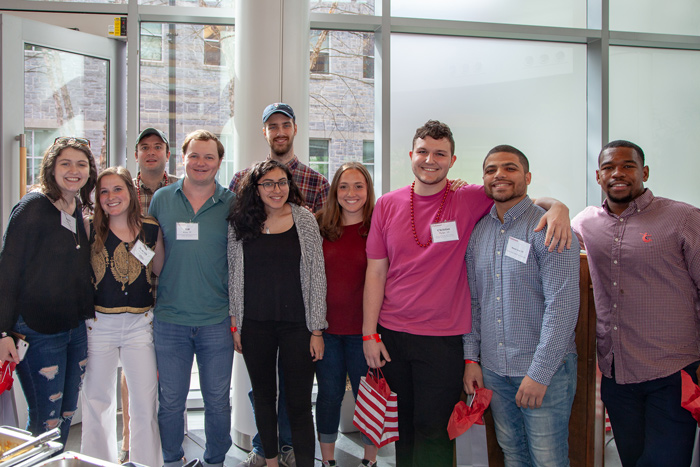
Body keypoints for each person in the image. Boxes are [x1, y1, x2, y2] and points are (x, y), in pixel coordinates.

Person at [362, 120, 572, 467]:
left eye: (440, 153)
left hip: (443, 339)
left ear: (452, 160)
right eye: (424, 152)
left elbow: (521, 197)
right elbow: (376, 271)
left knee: (433, 428)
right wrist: (370, 333)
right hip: (393, 335)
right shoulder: (386, 204)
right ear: (411, 155)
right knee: (405, 427)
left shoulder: (471, 197)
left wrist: (559, 207)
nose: (431, 159)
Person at [571, 140, 700, 467]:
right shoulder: (587, 222)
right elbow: (549, 226)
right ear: (598, 176)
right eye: (608, 167)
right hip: (617, 377)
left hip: (673, 373)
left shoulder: (682, 218)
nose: (618, 173)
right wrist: (556, 207)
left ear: (643, 172)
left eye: (627, 165)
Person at [462, 145, 580, 466]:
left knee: (548, 460)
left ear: (527, 177)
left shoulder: (550, 228)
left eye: (510, 168)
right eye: (491, 170)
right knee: (512, 453)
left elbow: (562, 308)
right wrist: (472, 358)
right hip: (495, 371)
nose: (499, 174)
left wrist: (539, 374)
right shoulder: (479, 233)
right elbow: (473, 302)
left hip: (544, 370)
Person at [231, 102, 329, 467]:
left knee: (301, 402)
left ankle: (303, 461)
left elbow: (317, 276)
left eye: (281, 183)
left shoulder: (305, 219)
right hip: (255, 325)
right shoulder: (241, 222)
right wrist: (236, 323)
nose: (276, 189)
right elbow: (234, 274)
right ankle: (269, 459)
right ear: (255, 188)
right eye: (268, 184)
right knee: (264, 396)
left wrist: (316, 329)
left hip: (297, 326)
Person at [0, 136, 97, 450]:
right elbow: (7, 271)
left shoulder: (75, 205)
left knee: (67, 412)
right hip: (38, 330)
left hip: (73, 328)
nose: (73, 170)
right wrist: (2, 333)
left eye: (81, 164)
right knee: (46, 421)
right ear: (51, 168)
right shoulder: (32, 207)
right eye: (65, 163)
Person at [149, 129, 235, 467]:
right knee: (170, 401)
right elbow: (153, 254)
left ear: (219, 162)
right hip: (169, 319)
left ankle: (215, 460)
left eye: (209, 156)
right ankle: (172, 460)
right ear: (182, 158)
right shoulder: (162, 199)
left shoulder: (231, 203)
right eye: (194, 156)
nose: (201, 163)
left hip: (216, 319)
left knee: (217, 401)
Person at [80, 166, 164, 467]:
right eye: (104, 191)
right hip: (99, 325)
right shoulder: (88, 227)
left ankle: (145, 463)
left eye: (117, 189)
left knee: (144, 403)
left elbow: (158, 269)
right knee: (97, 402)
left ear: (130, 190)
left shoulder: (151, 228)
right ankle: (95, 463)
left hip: (140, 325)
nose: (111, 196)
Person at [117, 127, 178, 464]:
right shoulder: (124, 190)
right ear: (136, 154)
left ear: (167, 154)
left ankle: (172, 436)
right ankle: (129, 439)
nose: (151, 152)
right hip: (134, 294)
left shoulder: (181, 188)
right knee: (134, 370)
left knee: (170, 370)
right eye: (145, 148)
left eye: (158, 147)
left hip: (174, 290)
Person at [315, 162, 379, 467]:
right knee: (328, 395)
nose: (351, 193)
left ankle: (370, 460)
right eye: (343, 186)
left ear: (368, 190)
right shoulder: (317, 225)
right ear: (334, 191)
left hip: (364, 333)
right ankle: (327, 461)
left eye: (358, 186)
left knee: (369, 398)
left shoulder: (379, 227)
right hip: (325, 331)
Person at [229, 102, 329, 212]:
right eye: (273, 127)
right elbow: (231, 225)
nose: (280, 133)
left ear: (295, 129)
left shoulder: (318, 184)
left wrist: (309, 221)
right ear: (264, 132)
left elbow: (326, 228)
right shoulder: (241, 180)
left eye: (286, 125)